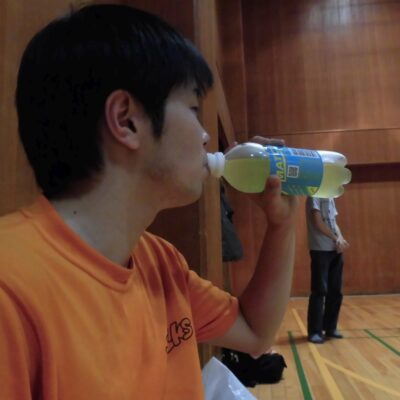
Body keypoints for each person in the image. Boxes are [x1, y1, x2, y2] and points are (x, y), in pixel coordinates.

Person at [0, 4, 298, 399]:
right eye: (193, 109)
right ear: (126, 120)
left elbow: (255, 333)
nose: (205, 136)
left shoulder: (161, 261)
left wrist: (281, 224)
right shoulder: (11, 287)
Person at [305, 197, 349, 344]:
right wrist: (335, 238)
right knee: (319, 291)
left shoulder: (330, 196)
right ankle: (314, 332)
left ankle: (330, 327)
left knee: (335, 291)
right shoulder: (314, 197)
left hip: (335, 249)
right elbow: (318, 222)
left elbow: (333, 222)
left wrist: (340, 238)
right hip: (320, 250)